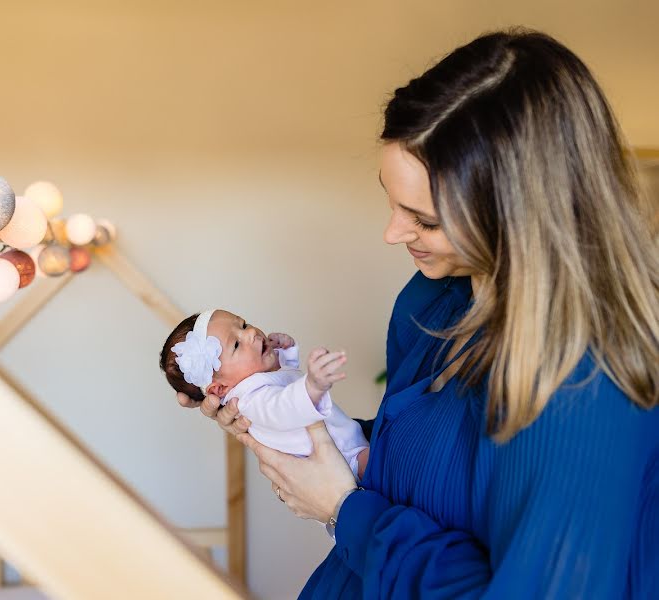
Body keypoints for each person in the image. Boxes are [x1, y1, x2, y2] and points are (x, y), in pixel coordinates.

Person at [177, 29, 658, 598]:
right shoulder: (433, 299)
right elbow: (428, 465)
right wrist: (284, 425)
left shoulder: (588, 388)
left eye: (424, 220)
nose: (392, 233)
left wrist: (343, 509)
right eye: (390, 199)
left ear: (523, 219)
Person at [160, 309, 369, 478]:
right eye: (236, 344)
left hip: (349, 447)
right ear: (220, 388)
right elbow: (284, 407)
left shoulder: (257, 383)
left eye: (243, 324)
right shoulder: (249, 402)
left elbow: (285, 380)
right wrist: (313, 385)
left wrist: (285, 352)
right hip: (344, 464)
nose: (250, 333)